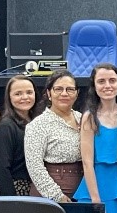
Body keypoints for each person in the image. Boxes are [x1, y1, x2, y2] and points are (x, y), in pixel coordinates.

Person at [75, 63, 117, 213]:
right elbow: (87, 162)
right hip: (95, 189)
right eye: (101, 81)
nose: (107, 86)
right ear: (94, 86)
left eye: (112, 80)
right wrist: (96, 201)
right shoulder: (90, 117)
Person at [24, 70, 83, 201]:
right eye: (58, 89)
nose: (64, 93)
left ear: (77, 93)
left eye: (70, 89)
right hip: (52, 193)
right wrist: (57, 196)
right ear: (49, 93)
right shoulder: (38, 125)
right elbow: (34, 166)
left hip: (82, 190)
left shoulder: (84, 119)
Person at [0, 75, 39, 197]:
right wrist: (11, 200)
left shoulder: (37, 122)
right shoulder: (5, 127)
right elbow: (2, 168)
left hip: (33, 189)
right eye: (18, 94)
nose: (25, 97)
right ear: (9, 97)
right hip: (11, 190)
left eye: (29, 92)